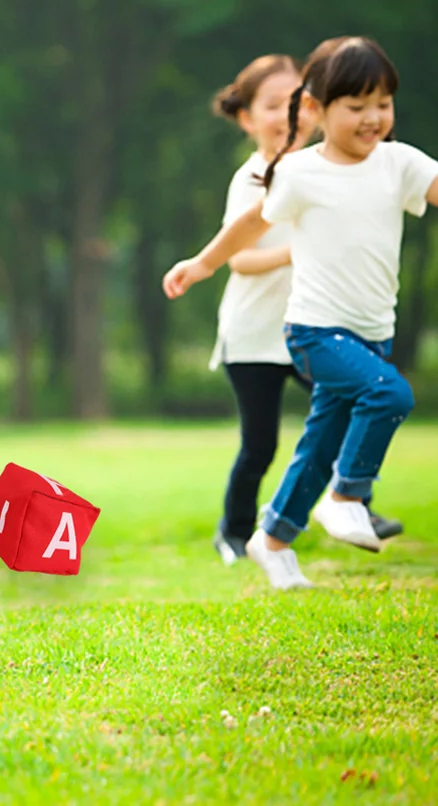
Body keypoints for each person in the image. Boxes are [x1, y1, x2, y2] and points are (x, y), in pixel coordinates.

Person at [164, 36, 438, 589]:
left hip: (372, 333)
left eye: (382, 104)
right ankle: (347, 494)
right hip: (315, 329)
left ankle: (273, 540)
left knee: (317, 444)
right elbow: (248, 225)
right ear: (316, 109)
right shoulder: (300, 172)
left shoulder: (399, 163)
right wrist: (202, 263)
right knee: (390, 394)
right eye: (356, 107)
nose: (372, 118)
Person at [207, 53, 402, 566]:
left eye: (295, 101)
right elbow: (240, 259)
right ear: (248, 119)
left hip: (315, 328)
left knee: (345, 410)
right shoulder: (252, 179)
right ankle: (234, 531)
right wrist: (299, 250)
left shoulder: (325, 171)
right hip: (254, 335)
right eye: (272, 106)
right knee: (260, 445)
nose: (288, 114)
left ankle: (354, 503)